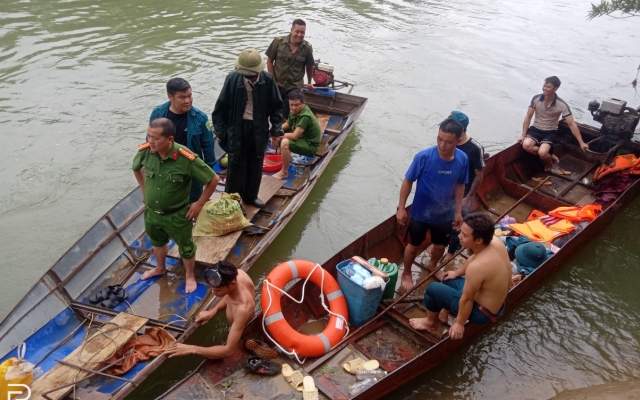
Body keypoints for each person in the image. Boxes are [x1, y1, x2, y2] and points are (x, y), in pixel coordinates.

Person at [132, 118, 219, 294]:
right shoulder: (146, 151)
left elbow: (213, 179)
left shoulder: (184, 157)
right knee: (157, 241)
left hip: (177, 215)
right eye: (149, 136)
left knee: (186, 247)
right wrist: (143, 190)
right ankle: (160, 268)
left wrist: (199, 204)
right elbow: (136, 167)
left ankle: (189, 275)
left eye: (155, 138)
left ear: (170, 139)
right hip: (152, 213)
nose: (150, 141)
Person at [409, 213, 511, 340]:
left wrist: (459, 323)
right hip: (491, 300)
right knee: (448, 278)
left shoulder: (478, 267)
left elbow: (467, 299)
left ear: (478, 240)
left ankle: (430, 323)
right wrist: (457, 273)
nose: (459, 236)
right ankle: (443, 315)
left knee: (432, 289)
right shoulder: (494, 243)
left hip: (482, 312)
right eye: (461, 231)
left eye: (464, 235)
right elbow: (474, 257)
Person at [396, 118, 468, 290]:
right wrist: (401, 208)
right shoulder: (424, 157)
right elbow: (407, 181)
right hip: (420, 213)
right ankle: (406, 272)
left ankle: (433, 265)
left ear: (458, 141)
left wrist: (458, 212)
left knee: (440, 245)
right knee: (413, 246)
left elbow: (460, 185)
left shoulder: (462, 159)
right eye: (439, 139)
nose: (442, 145)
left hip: (444, 214)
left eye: (448, 142)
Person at [212, 48, 284, 208]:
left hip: (259, 128)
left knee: (255, 163)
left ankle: (250, 196)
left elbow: (277, 107)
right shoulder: (232, 79)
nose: (251, 79)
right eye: (247, 77)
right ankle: (232, 202)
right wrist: (220, 131)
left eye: (253, 76)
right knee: (236, 165)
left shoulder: (268, 80)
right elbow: (220, 108)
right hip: (237, 127)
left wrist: (276, 131)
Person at [165, 261, 255, 359]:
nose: (213, 293)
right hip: (236, 323)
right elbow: (230, 296)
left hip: (245, 329)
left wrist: (192, 348)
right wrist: (213, 310)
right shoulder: (239, 274)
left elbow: (228, 351)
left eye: (217, 290)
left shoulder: (242, 309)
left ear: (232, 284)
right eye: (212, 289)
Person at [150, 77, 217, 204]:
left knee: (192, 201)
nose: (188, 101)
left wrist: (209, 175)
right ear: (170, 97)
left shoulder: (200, 118)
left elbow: (208, 147)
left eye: (190, 96)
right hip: (164, 166)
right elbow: (151, 140)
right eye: (182, 97)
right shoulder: (158, 113)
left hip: (189, 167)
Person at [519, 76, 589, 170]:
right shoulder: (536, 99)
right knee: (526, 145)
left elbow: (571, 124)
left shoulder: (561, 105)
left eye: (548, 87)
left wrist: (581, 142)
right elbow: (528, 116)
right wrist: (523, 135)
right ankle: (551, 156)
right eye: (544, 86)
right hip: (536, 128)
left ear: (555, 89)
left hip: (550, 131)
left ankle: (548, 163)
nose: (545, 88)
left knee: (542, 154)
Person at [442, 111, 485, 263]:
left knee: (457, 224)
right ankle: (439, 243)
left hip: (463, 192)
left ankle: (451, 250)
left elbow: (479, 175)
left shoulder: (474, 149)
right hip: (446, 190)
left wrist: (469, 197)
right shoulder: (447, 141)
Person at [266, 19, 315, 118]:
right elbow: (270, 61)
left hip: (294, 86)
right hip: (278, 84)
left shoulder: (307, 48)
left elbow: (309, 66)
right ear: (291, 30)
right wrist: (273, 80)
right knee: (273, 108)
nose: (300, 35)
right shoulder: (278, 42)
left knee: (289, 112)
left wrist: (309, 82)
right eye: (297, 31)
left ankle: (285, 130)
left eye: (302, 32)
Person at [271, 90, 321, 179]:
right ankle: (280, 152)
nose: (294, 108)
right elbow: (288, 124)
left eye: (297, 105)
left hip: (310, 145)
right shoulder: (294, 111)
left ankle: (284, 172)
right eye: (291, 105)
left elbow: (294, 136)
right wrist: (275, 131)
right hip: (301, 138)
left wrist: (278, 135)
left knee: (285, 141)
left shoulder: (305, 116)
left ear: (303, 103)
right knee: (279, 132)